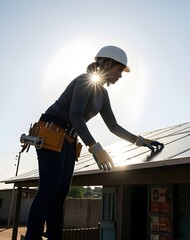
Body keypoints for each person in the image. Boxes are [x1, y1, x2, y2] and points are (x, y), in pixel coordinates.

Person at [24, 45, 163, 240]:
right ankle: (33, 237)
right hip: (52, 131)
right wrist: (96, 148)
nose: (120, 76)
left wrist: (141, 141)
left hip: (69, 139)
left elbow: (113, 126)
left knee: (60, 194)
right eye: (119, 70)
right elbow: (75, 115)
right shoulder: (84, 80)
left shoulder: (103, 95)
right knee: (50, 189)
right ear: (106, 63)